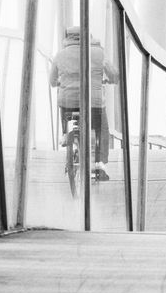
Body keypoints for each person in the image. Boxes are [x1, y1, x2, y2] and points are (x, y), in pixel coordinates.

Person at [51, 26, 119, 181]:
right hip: (93, 103)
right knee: (101, 129)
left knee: (66, 107)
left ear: (68, 38)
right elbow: (114, 75)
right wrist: (111, 80)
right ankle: (99, 163)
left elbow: (52, 81)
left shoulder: (60, 55)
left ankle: (65, 134)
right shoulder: (99, 53)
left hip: (68, 101)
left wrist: (58, 82)